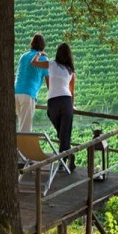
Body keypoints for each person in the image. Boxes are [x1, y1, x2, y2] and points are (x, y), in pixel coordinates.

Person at [31, 43, 76, 171]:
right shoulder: (71, 71)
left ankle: (65, 160)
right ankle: (66, 158)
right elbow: (72, 92)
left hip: (53, 102)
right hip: (66, 102)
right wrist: (72, 105)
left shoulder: (51, 64)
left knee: (62, 133)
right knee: (64, 133)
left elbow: (34, 63)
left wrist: (39, 54)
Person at [15, 33, 49, 132]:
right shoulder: (43, 59)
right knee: (25, 129)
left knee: (20, 125)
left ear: (32, 44)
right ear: (43, 46)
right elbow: (49, 83)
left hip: (16, 92)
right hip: (28, 94)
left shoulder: (23, 56)